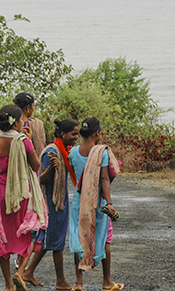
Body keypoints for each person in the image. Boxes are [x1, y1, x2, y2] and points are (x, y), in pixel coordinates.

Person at [0, 104, 48, 291]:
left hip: (1, 199)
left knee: (2, 238)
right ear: (16, 122)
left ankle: (8, 285)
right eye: (21, 120)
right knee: (28, 232)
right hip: (22, 197)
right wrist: (28, 141)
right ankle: (20, 271)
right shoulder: (23, 141)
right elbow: (36, 167)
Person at [68, 117, 124, 291]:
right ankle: (107, 281)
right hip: (97, 204)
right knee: (104, 239)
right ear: (97, 133)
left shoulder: (73, 152)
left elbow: (76, 176)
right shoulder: (102, 153)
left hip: (79, 202)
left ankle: (78, 283)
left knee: (79, 239)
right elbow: (105, 179)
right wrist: (109, 203)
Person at [23, 118, 78, 290]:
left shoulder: (65, 151)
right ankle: (60, 280)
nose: (76, 137)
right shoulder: (51, 152)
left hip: (59, 201)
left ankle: (28, 271)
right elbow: (41, 178)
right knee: (56, 242)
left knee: (52, 240)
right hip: (52, 203)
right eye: (73, 134)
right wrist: (52, 169)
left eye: (77, 134)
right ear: (63, 134)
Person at [12, 92, 47, 274]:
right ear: (28, 108)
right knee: (33, 217)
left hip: (15, 177)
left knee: (19, 216)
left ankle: (18, 256)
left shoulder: (10, 125)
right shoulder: (37, 125)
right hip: (32, 175)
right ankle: (23, 260)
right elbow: (41, 150)